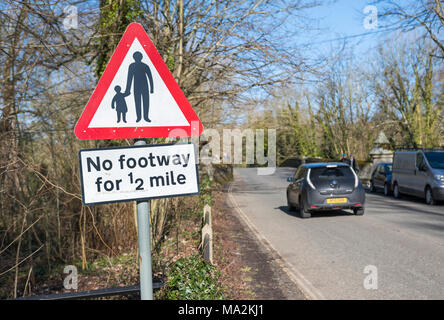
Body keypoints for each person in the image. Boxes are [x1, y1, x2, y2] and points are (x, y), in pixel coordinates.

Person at [124, 51, 154, 122]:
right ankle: (139, 117)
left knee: (146, 101)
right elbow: (129, 78)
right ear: (134, 58)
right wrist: (128, 89)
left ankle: (146, 117)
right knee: (137, 102)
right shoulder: (132, 66)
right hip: (136, 86)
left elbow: (150, 77)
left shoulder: (145, 66)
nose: (137, 58)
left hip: (145, 86)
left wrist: (152, 88)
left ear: (141, 57)